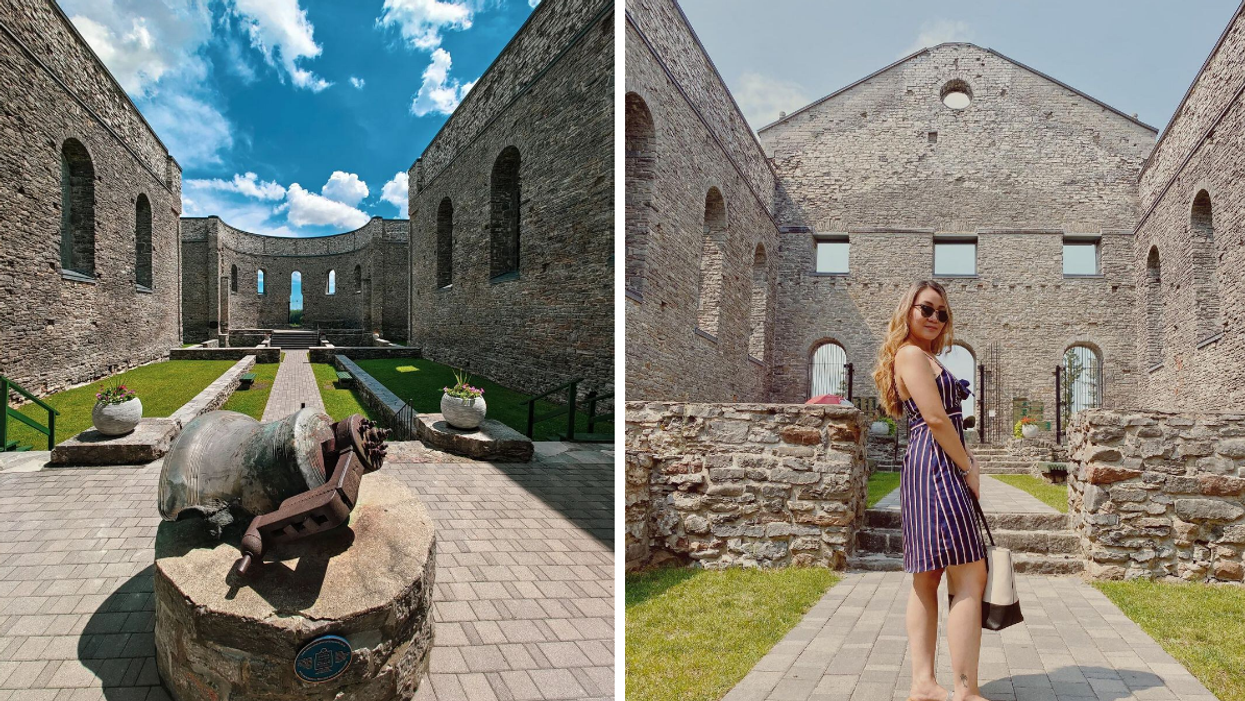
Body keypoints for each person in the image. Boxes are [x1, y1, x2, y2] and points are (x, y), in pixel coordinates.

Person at [870, 279, 989, 701]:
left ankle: (924, 685)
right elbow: (937, 420)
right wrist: (970, 467)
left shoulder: (920, 356)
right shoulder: (909, 354)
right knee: (970, 574)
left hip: (930, 464)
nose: (936, 318)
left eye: (942, 312)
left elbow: (943, 422)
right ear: (909, 311)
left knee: (928, 577)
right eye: (927, 309)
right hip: (937, 466)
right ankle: (965, 691)